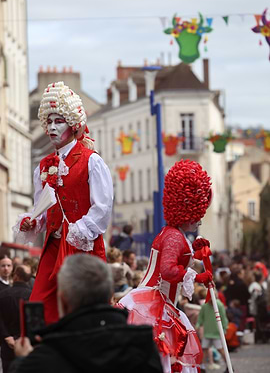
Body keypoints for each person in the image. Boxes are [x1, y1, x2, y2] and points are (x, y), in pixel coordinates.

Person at [12, 81, 113, 324]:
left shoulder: (91, 162)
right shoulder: (44, 166)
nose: (52, 128)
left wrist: (78, 230)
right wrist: (32, 222)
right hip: (54, 248)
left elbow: (103, 208)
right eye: (49, 122)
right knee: (38, 307)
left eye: (59, 121)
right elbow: (43, 210)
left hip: (82, 248)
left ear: (73, 124)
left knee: (82, 311)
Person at [119, 159, 213, 373]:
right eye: (198, 211)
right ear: (187, 207)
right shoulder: (173, 236)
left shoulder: (172, 234)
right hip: (155, 304)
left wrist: (196, 257)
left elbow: (174, 262)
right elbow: (168, 270)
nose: (200, 218)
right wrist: (197, 277)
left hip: (158, 303)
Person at [10, 254, 163, 373]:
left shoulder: (43, 359)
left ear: (62, 300)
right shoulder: (142, 346)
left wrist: (23, 361)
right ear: (110, 294)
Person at [0, 265, 32, 373]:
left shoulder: (3, 294)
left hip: (7, 344)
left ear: (16, 276)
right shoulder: (33, 296)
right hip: (26, 343)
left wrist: (7, 336)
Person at [196, 290, 228, 372]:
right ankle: (202, 367)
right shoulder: (204, 305)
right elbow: (200, 317)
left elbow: (223, 318)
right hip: (207, 332)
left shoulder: (219, 305)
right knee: (204, 349)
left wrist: (224, 329)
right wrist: (198, 325)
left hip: (216, 332)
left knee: (220, 349)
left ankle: (228, 365)